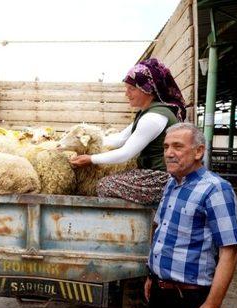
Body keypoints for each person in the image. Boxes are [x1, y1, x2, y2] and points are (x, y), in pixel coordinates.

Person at [141, 123, 237, 308]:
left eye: (177, 146)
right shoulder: (172, 184)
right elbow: (161, 231)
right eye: (166, 147)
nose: (168, 153)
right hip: (159, 292)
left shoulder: (216, 189)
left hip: (189, 299)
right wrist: (152, 275)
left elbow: (229, 253)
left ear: (198, 152)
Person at [70, 58, 186, 204]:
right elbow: (120, 139)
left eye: (131, 89)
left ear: (147, 89)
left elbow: (125, 153)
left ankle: (152, 213)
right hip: (158, 174)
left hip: (164, 179)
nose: (127, 94)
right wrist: (82, 143)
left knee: (105, 185)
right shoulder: (150, 112)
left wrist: (90, 159)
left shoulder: (153, 118)